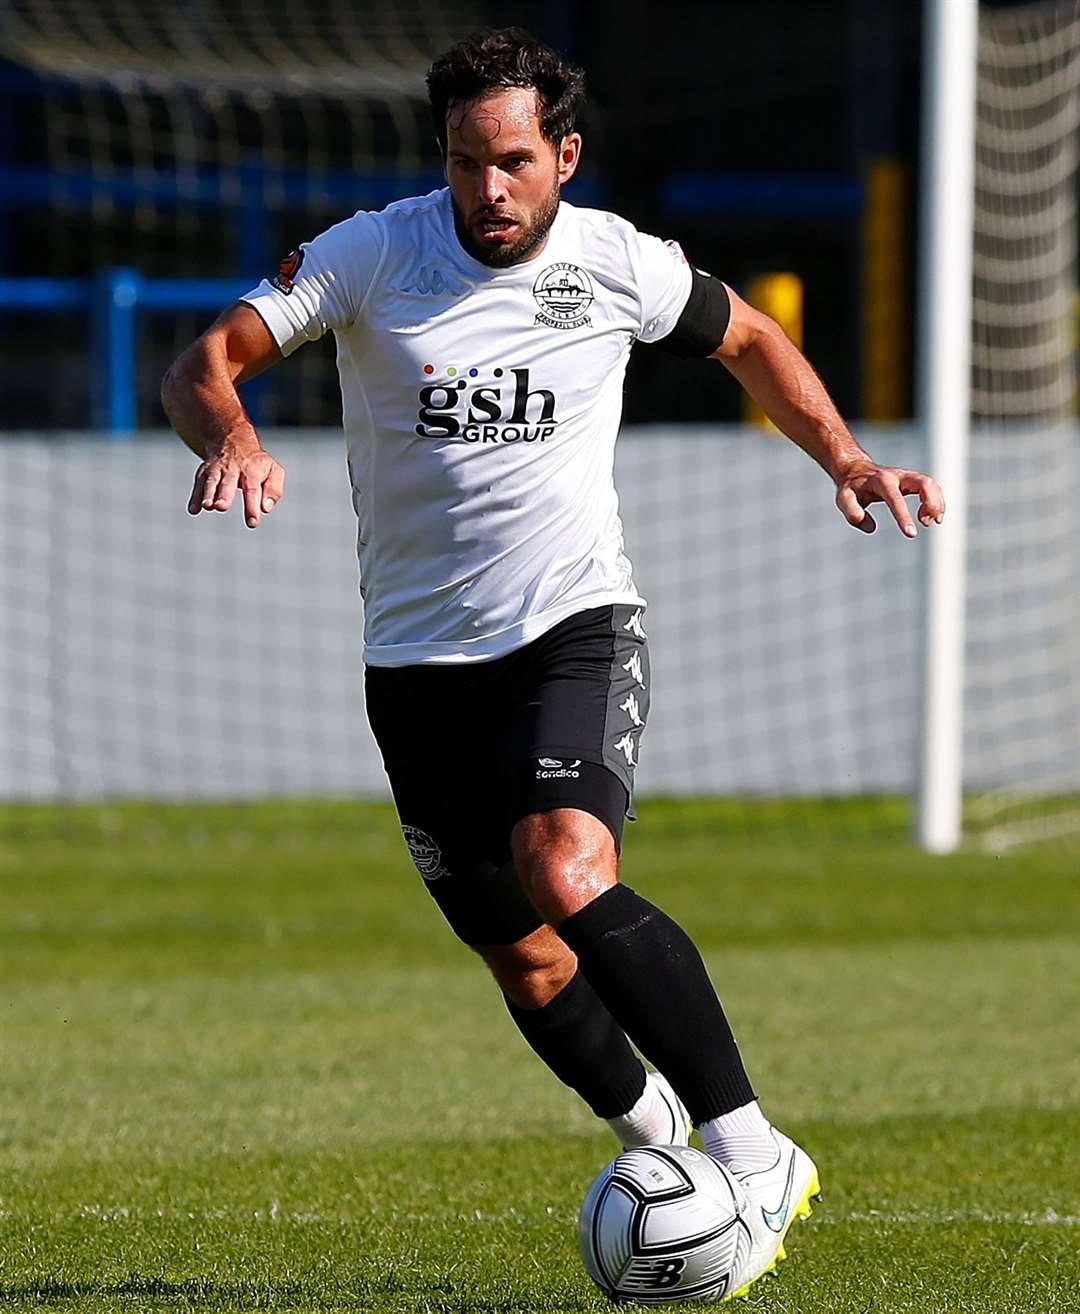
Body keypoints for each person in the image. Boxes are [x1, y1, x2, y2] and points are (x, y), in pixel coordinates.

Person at [162, 27, 944, 1298]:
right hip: (415, 662)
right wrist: (234, 433)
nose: (489, 188)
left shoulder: (617, 262)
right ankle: (663, 1157)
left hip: (573, 624)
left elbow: (747, 336)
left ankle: (757, 1153)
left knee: (565, 861)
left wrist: (847, 457)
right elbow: (206, 361)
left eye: (514, 159)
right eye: (467, 160)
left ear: (564, 156)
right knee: (524, 953)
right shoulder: (371, 252)